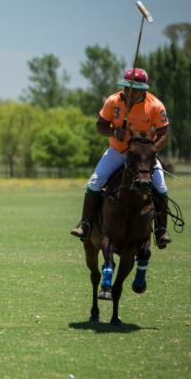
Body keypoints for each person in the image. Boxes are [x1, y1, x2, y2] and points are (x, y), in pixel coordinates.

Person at [70, 68, 173, 248]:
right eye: (126, 88)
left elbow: (164, 133)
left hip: (143, 157)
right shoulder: (113, 101)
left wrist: (152, 150)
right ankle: (85, 224)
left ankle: (160, 231)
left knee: (160, 186)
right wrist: (114, 132)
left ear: (143, 90)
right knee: (95, 182)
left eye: (133, 89)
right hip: (118, 151)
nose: (128, 92)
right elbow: (100, 125)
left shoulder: (156, 106)